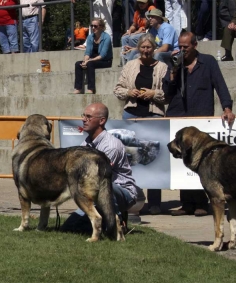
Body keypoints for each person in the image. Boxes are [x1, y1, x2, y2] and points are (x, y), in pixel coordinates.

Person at [164, 31, 236, 217]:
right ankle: (186, 203)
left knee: (201, 160)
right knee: (183, 160)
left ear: (195, 45)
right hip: (178, 114)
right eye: (179, 47)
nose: (182, 50)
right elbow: (167, 92)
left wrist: (227, 107)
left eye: (185, 47)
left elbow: (220, 85)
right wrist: (172, 72)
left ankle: (201, 202)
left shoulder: (208, 62)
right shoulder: (175, 63)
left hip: (200, 116)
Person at [61, 102, 141, 233]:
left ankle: (117, 223)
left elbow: (96, 176)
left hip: (120, 191)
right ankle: (105, 220)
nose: (83, 119)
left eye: (88, 116)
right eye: (83, 115)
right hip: (95, 193)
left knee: (105, 187)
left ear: (101, 121)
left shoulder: (111, 145)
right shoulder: (87, 143)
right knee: (69, 228)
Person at [114, 33, 168, 215]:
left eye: (149, 48)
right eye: (143, 47)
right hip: (132, 115)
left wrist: (154, 94)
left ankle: (154, 202)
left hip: (154, 116)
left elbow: (168, 93)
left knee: (153, 159)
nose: (146, 51)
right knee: (130, 161)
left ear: (154, 49)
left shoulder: (162, 67)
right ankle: (133, 200)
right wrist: (130, 92)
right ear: (138, 48)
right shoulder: (130, 65)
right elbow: (118, 89)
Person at [73, 18, 113, 94]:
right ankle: (78, 88)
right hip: (92, 59)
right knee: (78, 64)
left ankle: (91, 88)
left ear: (101, 27)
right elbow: (87, 52)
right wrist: (85, 61)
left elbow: (103, 55)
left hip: (105, 61)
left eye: (95, 26)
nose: (93, 28)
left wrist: (88, 61)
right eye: (92, 26)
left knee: (90, 64)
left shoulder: (106, 37)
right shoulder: (90, 37)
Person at [120, 0, 156, 64]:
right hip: (139, 31)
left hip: (148, 32)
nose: (140, 4)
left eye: (142, 3)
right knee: (124, 37)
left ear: (147, 2)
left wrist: (139, 30)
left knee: (132, 38)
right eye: (139, 3)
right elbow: (134, 25)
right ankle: (125, 56)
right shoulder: (137, 12)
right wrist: (130, 31)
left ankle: (132, 57)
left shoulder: (151, 8)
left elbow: (150, 23)